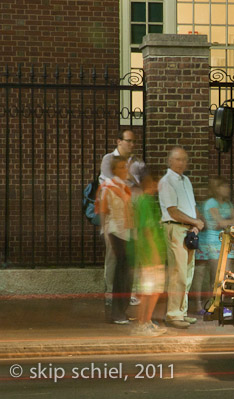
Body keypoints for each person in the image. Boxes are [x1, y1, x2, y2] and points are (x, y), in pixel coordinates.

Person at [158, 147, 205, 329]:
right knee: (178, 273)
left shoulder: (186, 180)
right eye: (178, 159)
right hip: (175, 228)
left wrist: (195, 224)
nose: (182, 163)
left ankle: (182, 312)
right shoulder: (166, 181)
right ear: (170, 161)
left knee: (188, 272)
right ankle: (173, 314)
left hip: (188, 229)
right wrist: (195, 221)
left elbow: (191, 205)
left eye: (184, 159)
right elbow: (172, 211)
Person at [99, 129, 145, 310]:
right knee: (113, 256)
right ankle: (110, 293)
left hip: (133, 214)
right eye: (128, 141)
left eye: (134, 141)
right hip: (115, 214)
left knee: (133, 255)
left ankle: (131, 292)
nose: (132, 144)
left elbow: (141, 187)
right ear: (119, 141)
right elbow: (109, 184)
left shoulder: (137, 162)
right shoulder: (108, 159)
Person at [97, 156, 134, 325]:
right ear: (114, 170)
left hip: (126, 232)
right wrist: (105, 231)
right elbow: (104, 210)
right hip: (115, 231)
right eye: (122, 167)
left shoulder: (125, 187)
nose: (126, 169)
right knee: (121, 272)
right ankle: (117, 312)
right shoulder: (109, 187)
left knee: (127, 273)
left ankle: (122, 311)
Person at [131, 168, 168, 337]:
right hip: (150, 253)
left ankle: (146, 322)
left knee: (152, 291)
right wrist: (153, 253)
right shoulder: (145, 201)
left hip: (151, 252)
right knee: (149, 291)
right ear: (151, 183)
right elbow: (146, 230)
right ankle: (142, 323)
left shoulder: (147, 201)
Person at [202, 177, 234, 310]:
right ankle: (213, 304)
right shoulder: (211, 203)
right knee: (217, 275)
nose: (227, 190)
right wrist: (229, 222)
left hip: (227, 242)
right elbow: (219, 222)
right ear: (217, 189)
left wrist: (227, 223)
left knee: (227, 275)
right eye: (224, 187)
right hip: (214, 243)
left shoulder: (228, 204)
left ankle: (222, 304)